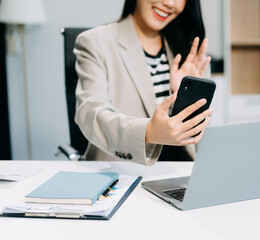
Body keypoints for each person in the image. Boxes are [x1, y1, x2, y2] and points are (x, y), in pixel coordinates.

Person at [74, 0, 212, 165]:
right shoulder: (95, 42)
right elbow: (90, 114)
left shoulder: (189, 50)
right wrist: (148, 132)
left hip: (181, 173)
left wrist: (183, 99)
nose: (169, 3)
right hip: (124, 172)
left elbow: (201, 139)